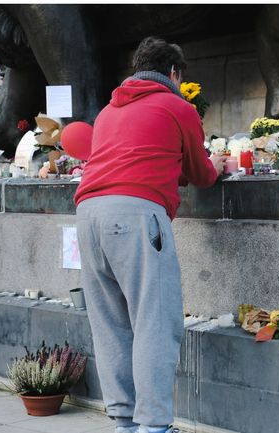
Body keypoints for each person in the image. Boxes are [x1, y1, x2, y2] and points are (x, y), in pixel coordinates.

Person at [74, 36, 227, 433]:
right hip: (137, 216)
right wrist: (218, 164)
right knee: (155, 324)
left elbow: (141, 158)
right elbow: (201, 174)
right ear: (174, 73)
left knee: (110, 326)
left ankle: (125, 423)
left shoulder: (108, 111)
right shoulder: (178, 106)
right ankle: (155, 426)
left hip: (88, 216)